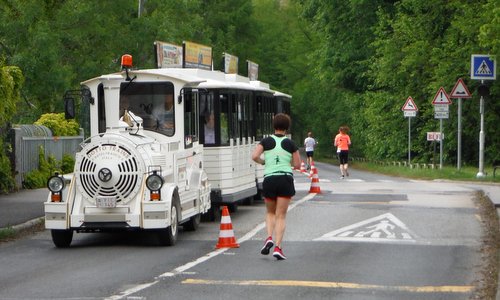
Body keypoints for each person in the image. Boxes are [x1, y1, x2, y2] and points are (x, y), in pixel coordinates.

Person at [251, 113, 300, 260]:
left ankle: (269, 237)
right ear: (287, 127)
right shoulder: (291, 144)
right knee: (281, 215)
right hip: (285, 178)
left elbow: (254, 156)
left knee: (270, 213)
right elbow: (297, 164)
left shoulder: (265, 141)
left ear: (274, 126)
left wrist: (264, 162)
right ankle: (278, 247)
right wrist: (287, 164)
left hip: (270, 179)